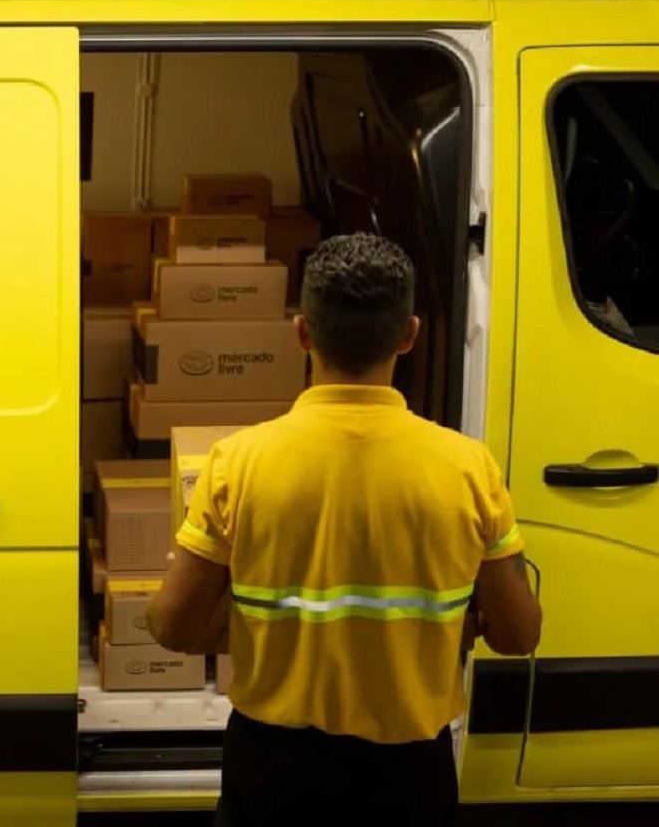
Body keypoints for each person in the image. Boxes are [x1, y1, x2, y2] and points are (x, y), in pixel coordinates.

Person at [145, 232, 542, 827]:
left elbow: (172, 625)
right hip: (409, 777)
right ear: (409, 335)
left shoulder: (237, 464)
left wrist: (246, 624)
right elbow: (518, 633)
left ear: (302, 332)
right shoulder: (469, 468)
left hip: (272, 770)